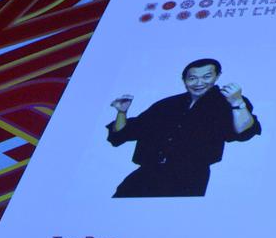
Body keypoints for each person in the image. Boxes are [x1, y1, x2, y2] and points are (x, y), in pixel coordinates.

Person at [106, 58, 261, 197]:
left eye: (207, 76)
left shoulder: (228, 102)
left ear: (217, 76)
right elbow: (123, 134)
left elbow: (244, 132)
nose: (199, 83)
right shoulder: (167, 105)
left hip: (188, 178)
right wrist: (122, 112)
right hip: (146, 174)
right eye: (192, 78)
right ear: (184, 80)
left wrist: (237, 103)